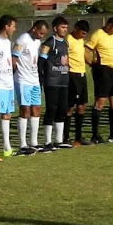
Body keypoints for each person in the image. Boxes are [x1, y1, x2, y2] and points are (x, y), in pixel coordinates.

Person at [86, 16, 113, 142]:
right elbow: (86, 51)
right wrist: (92, 64)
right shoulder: (98, 34)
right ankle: (95, 134)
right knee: (100, 102)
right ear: (108, 25)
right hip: (103, 70)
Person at [38, 17, 74, 149]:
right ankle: (47, 141)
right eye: (62, 27)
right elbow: (41, 61)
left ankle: (59, 140)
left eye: (66, 27)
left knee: (62, 109)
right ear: (55, 28)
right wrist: (41, 77)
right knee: (51, 109)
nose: (65, 29)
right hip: (51, 81)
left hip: (63, 81)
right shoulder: (49, 42)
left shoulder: (65, 43)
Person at [13, 19, 46, 153]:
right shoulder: (22, 40)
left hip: (34, 80)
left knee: (36, 109)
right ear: (34, 29)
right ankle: (22, 144)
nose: (41, 36)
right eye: (41, 33)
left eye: (43, 34)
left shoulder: (37, 42)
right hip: (23, 80)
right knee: (24, 109)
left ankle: (34, 142)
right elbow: (14, 59)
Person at [0, 15, 17, 157]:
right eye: (13, 26)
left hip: (8, 83)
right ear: (6, 26)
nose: (14, 29)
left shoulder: (7, 42)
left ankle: (7, 147)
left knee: (7, 114)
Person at [67, 20, 91, 143]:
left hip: (82, 74)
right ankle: (65, 137)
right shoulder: (68, 40)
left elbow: (83, 56)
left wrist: (91, 64)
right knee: (70, 106)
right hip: (72, 75)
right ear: (75, 28)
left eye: (85, 34)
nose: (83, 36)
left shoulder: (81, 41)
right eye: (82, 33)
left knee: (82, 106)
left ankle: (78, 136)